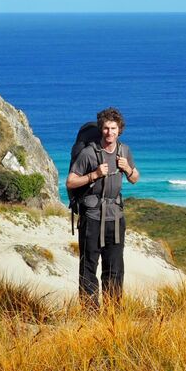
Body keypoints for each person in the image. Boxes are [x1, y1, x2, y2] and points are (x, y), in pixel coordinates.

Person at [66, 107, 139, 307]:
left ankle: (113, 312)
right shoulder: (89, 154)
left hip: (115, 218)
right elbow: (70, 182)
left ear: (119, 130)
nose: (110, 132)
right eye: (106, 128)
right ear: (101, 129)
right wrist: (94, 175)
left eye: (113, 128)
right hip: (92, 217)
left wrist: (128, 168)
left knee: (115, 268)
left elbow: (134, 179)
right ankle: (90, 314)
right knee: (89, 267)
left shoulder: (124, 151)